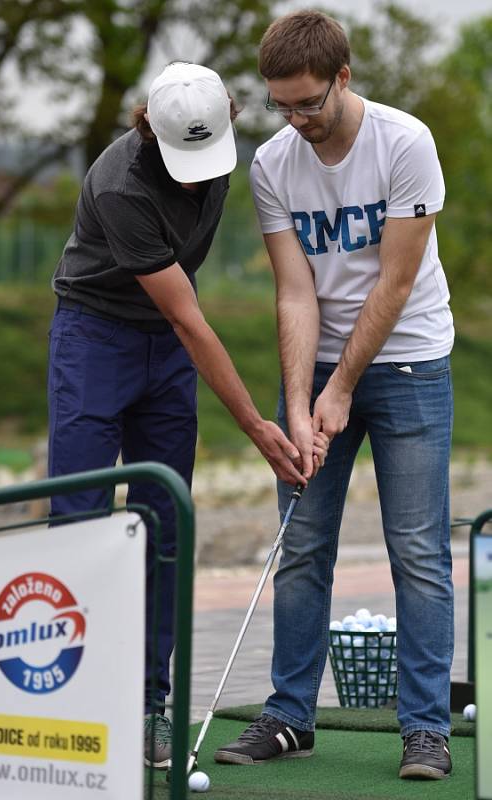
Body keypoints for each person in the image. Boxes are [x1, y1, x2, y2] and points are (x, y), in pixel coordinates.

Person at [47, 61, 329, 770]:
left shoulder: (218, 153)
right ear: (150, 129)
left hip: (165, 352)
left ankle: (148, 705)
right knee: (77, 519)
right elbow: (189, 321)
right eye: (186, 162)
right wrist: (258, 428)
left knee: (162, 524)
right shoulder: (120, 185)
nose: (201, 178)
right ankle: (66, 710)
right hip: (96, 335)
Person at [214, 11, 455, 781]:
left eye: (309, 102)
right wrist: (299, 403)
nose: (296, 119)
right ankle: (289, 715)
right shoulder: (274, 164)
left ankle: (424, 729)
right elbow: (294, 292)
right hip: (320, 366)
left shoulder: (405, 142)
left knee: (416, 551)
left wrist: (344, 386)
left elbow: (396, 279)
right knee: (301, 545)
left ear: (343, 78)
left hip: (412, 360)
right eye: (282, 105)